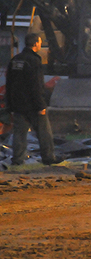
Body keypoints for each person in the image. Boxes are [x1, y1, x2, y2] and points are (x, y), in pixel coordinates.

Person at [6, 33, 57, 166]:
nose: (40, 45)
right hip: (33, 105)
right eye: (40, 42)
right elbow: (36, 85)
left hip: (18, 105)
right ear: (35, 44)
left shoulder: (15, 60)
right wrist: (41, 105)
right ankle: (48, 158)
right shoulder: (34, 61)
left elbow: (9, 83)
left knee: (19, 135)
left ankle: (17, 161)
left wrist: (10, 105)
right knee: (44, 133)